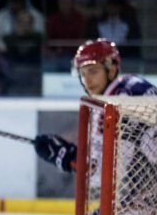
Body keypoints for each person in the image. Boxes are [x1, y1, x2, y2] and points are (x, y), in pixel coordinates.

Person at [34, 39, 157, 172]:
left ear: (111, 70)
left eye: (93, 72)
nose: (87, 80)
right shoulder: (132, 84)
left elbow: (104, 171)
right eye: (82, 73)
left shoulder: (117, 103)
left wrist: (65, 157)